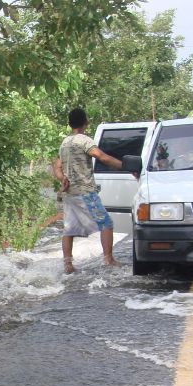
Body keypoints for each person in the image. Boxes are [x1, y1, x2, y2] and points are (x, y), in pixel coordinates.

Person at [53, 108, 125, 274]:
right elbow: (101, 157)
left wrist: (61, 178)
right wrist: (125, 165)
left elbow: (56, 166)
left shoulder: (65, 143)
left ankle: (68, 265)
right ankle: (108, 259)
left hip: (69, 193)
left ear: (70, 124)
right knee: (106, 223)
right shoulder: (84, 140)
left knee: (69, 228)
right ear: (85, 122)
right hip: (85, 191)